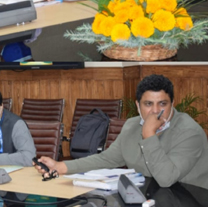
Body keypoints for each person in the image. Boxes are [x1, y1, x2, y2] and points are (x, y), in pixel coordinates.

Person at [35, 75, 208, 189]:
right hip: (149, 195)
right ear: (137, 105)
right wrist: (61, 166)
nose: (156, 111)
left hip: (189, 199)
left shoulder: (189, 132)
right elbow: (107, 159)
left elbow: (166, 179)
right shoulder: (132, 126)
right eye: (148, 104)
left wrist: (148, 135)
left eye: (163, 104)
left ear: (173, 104)